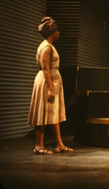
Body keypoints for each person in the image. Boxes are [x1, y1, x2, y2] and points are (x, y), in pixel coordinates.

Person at [28, 17, 73, 154]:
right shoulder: (46, 47)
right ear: (51, 32)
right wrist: (51, 88)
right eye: (56, 30)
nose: (58, 33)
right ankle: (39, 145)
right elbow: (45, 68)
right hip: (47, 82)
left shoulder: (49, 46)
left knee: (54, 113)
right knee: (42, 112)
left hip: (52, 81)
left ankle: (59, 144)